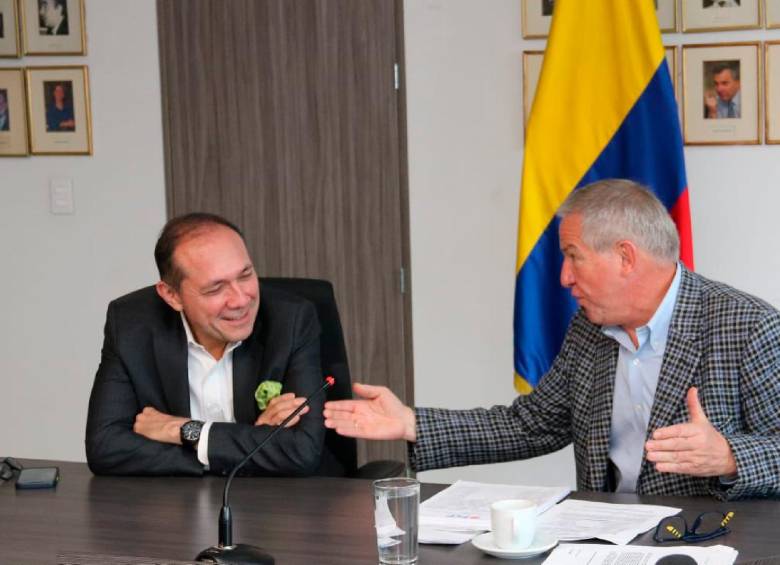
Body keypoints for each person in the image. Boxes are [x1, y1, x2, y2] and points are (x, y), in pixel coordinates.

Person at [324, 179, 780, 501]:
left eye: (573, 257)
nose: (563, 278)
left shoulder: (748, 327)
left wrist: (728, 456)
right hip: (606, 542)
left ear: (625, 257)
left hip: (714, 541)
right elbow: (533, 424)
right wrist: (410, 423)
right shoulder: (589, 328)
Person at [86, 213, 340, 476]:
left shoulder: (291, 320)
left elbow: (301, 450)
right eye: (216, 289)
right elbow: (105, 447)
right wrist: (249, 441)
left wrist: (182, 430)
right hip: (176, 506)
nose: (241, 300)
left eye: (245, 275)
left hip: (282, 505)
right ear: (172, 295)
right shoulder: (131, 325)